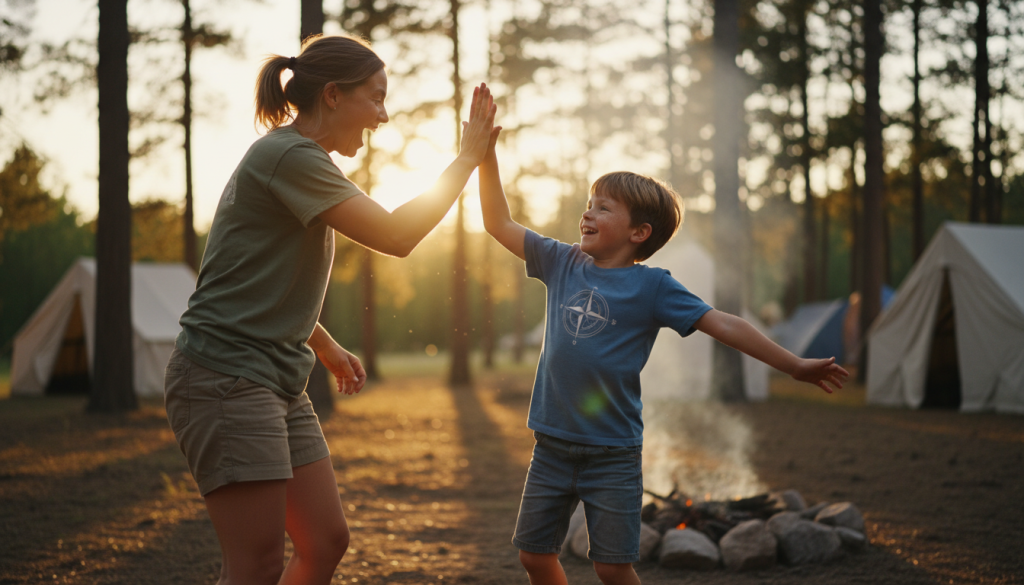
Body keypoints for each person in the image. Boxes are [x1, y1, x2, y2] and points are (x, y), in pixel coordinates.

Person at [163, 34, 495, 585]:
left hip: (274, 377)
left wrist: (325, 344)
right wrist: (465, 159)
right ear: (334, 95)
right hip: (226, 377)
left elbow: (253, 280)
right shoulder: (289, 155)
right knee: (254, 565)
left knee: (323, 541)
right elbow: (396, 235)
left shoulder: (301, 159)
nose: (384, 115)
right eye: (376, 98)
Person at [477, 130, 848, 585]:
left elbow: (724, 324)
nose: (587, 212)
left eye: (603, 207)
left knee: (612, 567)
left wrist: (794, 365)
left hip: (612, 454)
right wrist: (485, 156)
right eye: (590, 203)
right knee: (534, 557)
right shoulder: (561, 262)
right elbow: (497, 222)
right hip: (551, 447)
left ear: (639, 233)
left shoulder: (653, 286)